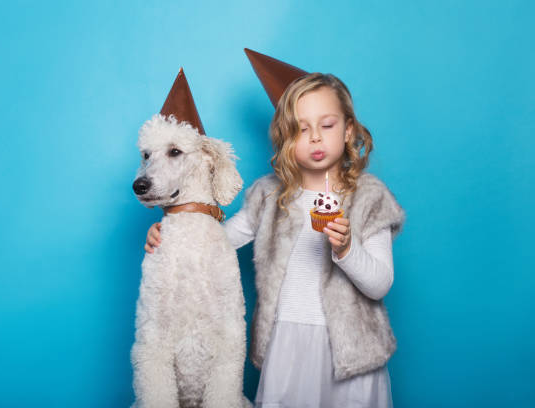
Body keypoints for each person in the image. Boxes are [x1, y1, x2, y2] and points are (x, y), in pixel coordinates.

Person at [145, 71, 405, 407]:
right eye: (300, 128)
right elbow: (216, 244)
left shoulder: (369, 198)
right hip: (287, 347)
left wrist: (346, 248)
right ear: (285, 137)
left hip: (351, 353)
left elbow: (380, 284)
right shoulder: (268, 196)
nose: (314, 138)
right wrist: (174, 232)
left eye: (326, 125)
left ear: (349, 130)